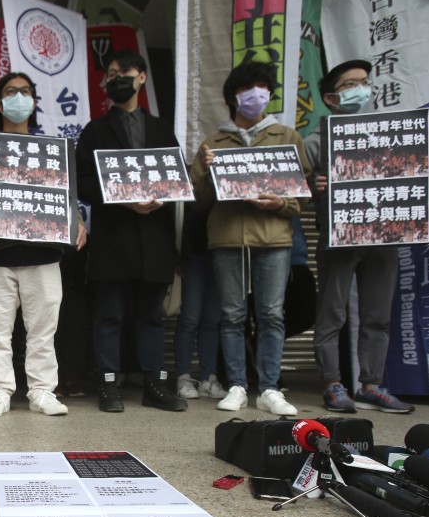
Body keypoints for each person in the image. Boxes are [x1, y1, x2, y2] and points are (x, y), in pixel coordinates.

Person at [0, 72, 86, 417]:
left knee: (43, 330)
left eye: (25, 92)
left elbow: (67, 200)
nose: (19, 97)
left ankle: (42, 391)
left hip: (43, 253)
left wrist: (79, 222)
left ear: (34, 102)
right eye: (11, 92)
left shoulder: (51, 151)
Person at [189, 61, 310, 416]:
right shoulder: (213, 143)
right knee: (231, 315)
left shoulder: (287, 137)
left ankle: (270, 388)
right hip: (227, 239)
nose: (256, 95)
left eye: (262, 87)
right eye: (247, 88)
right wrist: (208, 172)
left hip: (273, 240)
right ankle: (237, 385)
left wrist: (281, 202)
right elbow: (197, 201)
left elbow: (301, 195)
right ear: (232, 97)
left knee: (271, 314)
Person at [76, 50, 187, 413]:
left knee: (151, 316)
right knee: (108, 313)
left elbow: (176, 179)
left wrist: (161, 200)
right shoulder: (95, 130)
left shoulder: (160, 128)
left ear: (141, 76)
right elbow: (83, 184)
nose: (116, 78)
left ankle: (155, 385)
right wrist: (122, 200)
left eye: (123, 71)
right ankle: (107, 385)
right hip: (113, 236)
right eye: (110, 73)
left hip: (154, 235)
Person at [307, 60, 415, 414]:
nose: (362, 89)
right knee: (332, 313)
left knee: (378, 315)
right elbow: (291, 188)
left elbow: (412, 174)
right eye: (352, 84)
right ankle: (332, 383)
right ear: (331, 97)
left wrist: (428, 170)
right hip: (338, 238)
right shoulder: (314, 142)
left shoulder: (391, 135)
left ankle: (372, 384)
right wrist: (313, 186)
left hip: (383, 236)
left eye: (366, 83)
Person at [173, 206, 226, 401]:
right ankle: (183, 377)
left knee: (212, 320)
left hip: (221, 250)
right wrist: (175, 252)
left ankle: (209, 379)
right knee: (189, 318)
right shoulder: (190, 176)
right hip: (192, 252)